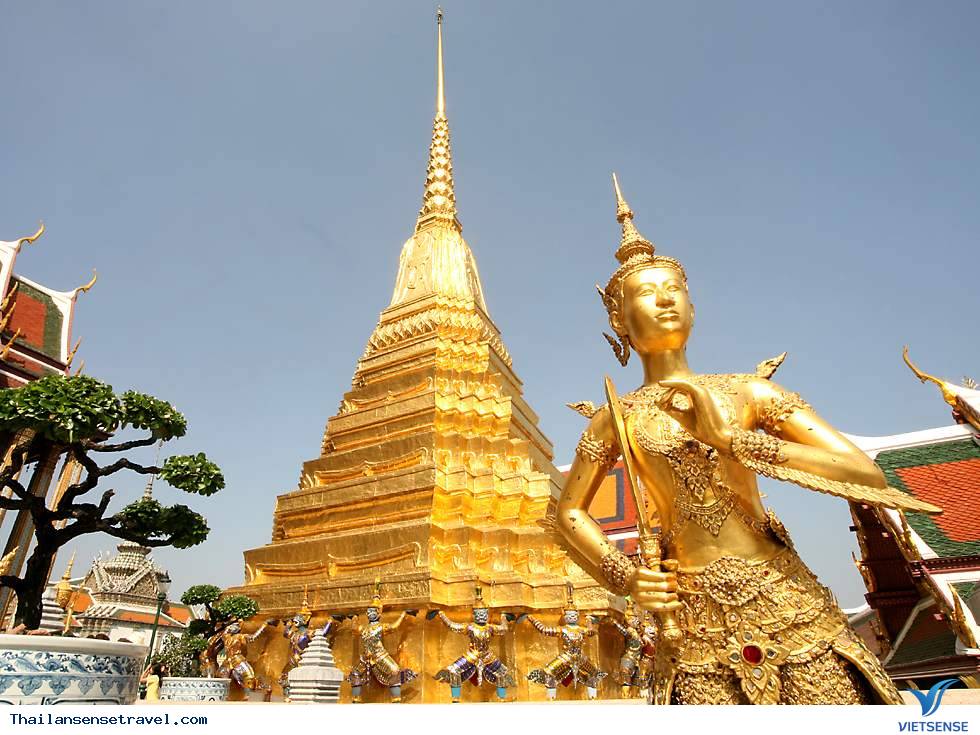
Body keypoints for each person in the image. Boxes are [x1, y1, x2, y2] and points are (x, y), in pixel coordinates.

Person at [556, 175, 940, 705]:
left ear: (693, 308)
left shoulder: (749, 391)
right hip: (690, 613)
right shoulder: (613, 418)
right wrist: (625, 577)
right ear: (619, 319)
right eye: (646, 293)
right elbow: (569, 513)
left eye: (676, 290)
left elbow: (863, 474)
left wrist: (738, 441)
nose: (666, 300)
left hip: (784, 595)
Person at [431, 586, 514, 702]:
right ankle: (455, 698)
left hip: (487, 656)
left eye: (484, 614)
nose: (481, 616)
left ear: (487, 615)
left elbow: (504, 629)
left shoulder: (490, 628)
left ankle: (502, 698)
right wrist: (441, 614)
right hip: (471, 655)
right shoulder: (470, 627)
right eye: (478, 614)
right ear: (474, 615)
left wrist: (504, 617)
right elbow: (452, 626)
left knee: (502, 672)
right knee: (454, 670)